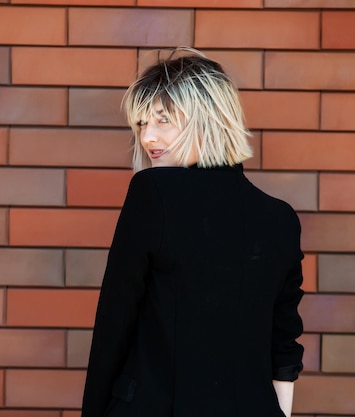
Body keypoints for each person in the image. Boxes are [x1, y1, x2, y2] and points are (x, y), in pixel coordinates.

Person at [81, 47, 304, 417]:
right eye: (141, 124)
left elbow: (114, 325)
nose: (148, 137)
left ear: (207, 120)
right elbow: (283, 348)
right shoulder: (280, 219)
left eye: (163, 120)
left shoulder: (153, 192)